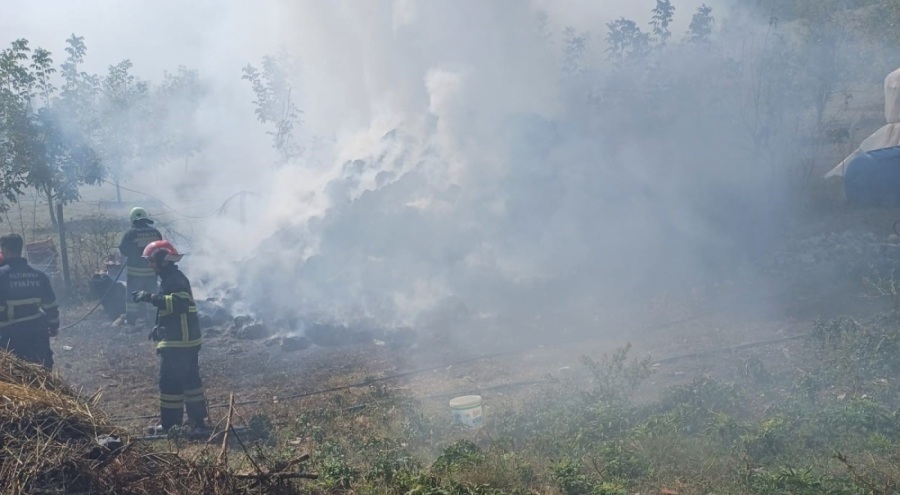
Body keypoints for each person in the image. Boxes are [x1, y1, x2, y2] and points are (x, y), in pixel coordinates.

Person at [131, 239, 208, 432]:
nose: (150, 265)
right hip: (184, 340)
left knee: (170, 383)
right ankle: (197, 421)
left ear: (162, 260)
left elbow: (179, 303)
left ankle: (171, 426)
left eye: (151, 260)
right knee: (191, 382)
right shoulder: (172, 277)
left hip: (179, 342)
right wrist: (159, 327)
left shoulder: (174, 279)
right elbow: (171, 309)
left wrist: (149, 297)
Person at [0, 234, 60, 369]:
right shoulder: (39, 275)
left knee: (14, 376)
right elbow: (50, 305)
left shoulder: (1, 276)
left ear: (5, 250)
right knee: (42, 371)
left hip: (9, 336)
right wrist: (54, 325)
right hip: (37, 332)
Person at [119, 207, 163, 326]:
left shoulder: (131, 233)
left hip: (135, 273)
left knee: (133, 298)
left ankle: (131, 321)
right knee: (152, 295)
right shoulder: (155, 232)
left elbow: (123, 249)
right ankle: (155, 320)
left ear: (132, 219)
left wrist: (134, 254)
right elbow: (161, 249)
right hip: (152, 272)